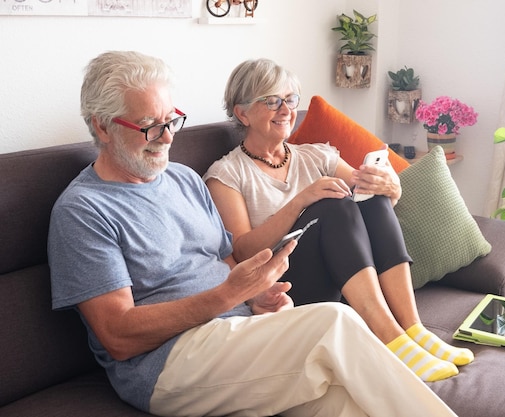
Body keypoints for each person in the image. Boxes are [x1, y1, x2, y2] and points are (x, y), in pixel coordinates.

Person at [47, 50, 458, 417]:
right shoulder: (83, 211)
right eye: (149, 126)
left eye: (172, 120)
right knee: (333, 321)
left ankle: (410, 336)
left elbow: (227, 260)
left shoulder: (184, 180)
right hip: (168, 362)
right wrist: (230, 295)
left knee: (348, 401)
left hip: (239, 332)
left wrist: (256, 295)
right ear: (103, 128)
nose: (168, 137)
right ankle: (397, 343)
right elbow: (117, 335)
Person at [204, 58, 474, 383]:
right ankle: (391, 339)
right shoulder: (226, 175)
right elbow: (244, 250)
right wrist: (301, 202)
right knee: (332, 205)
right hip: (288, 290)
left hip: (347, 278)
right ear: (242, 112)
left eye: (290, 100)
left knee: (365, 194)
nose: (286, 110)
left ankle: (414, 329)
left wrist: (391, 187)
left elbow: (375, 204)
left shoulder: (316, 155)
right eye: (272, 101)